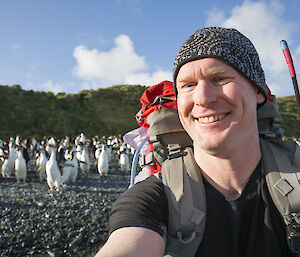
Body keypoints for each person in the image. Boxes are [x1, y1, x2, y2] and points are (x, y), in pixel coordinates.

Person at [95, 27, 293, 257]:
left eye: (220, 78)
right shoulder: (154, 199)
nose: (202, 98)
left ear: (259, 91)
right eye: (188, 85)